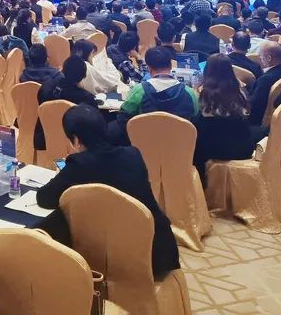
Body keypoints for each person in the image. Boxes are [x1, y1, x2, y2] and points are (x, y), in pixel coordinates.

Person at [36, 104, 180, 278]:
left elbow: (44, 198)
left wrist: (63, 174)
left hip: (123, 258)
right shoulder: (133, 154)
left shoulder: (79, 165)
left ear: (76, 140)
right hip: (159, 248)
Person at [192, 54, 259, 183]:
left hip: (216, 150)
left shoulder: (203, 93)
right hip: (243, 147)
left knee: (195, 125)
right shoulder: (240, 91)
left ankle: (199, 181)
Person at [114, 46, 198, 143]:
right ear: (171, 66)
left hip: (144, 146)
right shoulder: (190, 93)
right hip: (182, 147)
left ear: (149, 67)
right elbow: (195, 121)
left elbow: (123, 118)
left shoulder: (139, 91)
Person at [246, 41, 281, 126]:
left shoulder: (265, 80)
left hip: (258, 122)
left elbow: (254, 106)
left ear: (269, 58)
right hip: (280, 117)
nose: (259, 58)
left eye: (261, 55)